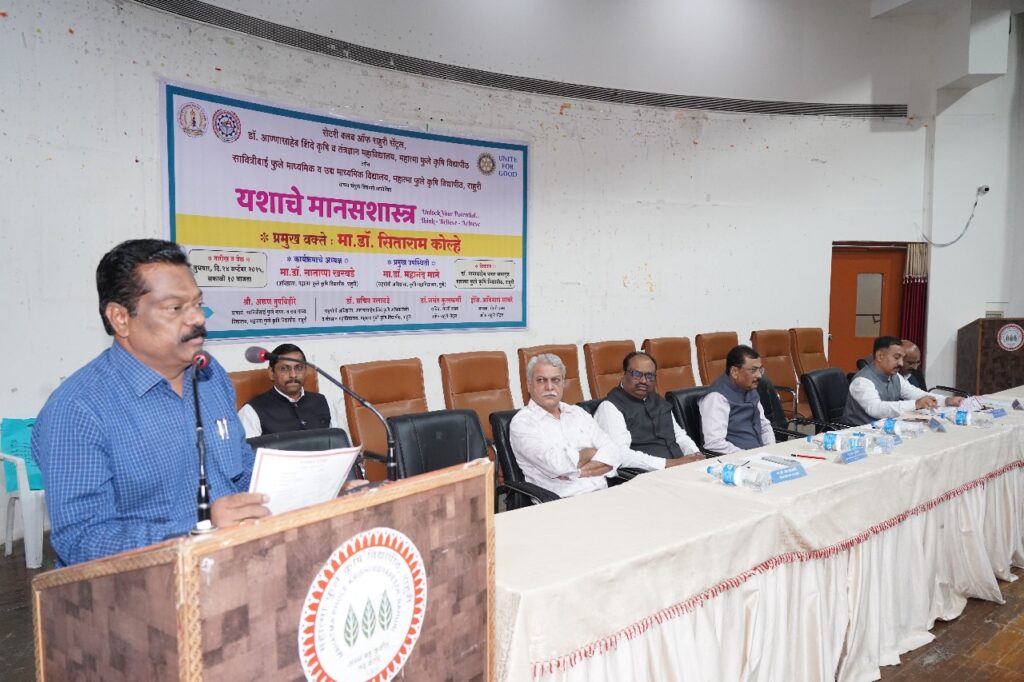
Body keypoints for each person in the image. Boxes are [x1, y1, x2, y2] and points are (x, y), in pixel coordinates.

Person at [34, 240, 262, 566]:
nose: (198, 318)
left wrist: (305, 489)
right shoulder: (78, 409)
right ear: (120, 318)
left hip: (238, 566)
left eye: (198, 303)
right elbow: (81, 540)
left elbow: (240, 473)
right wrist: (198, 531)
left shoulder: (210, 377)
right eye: (175, 308)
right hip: (143, 588)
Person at [510, 354, 690, 499]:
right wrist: (590, 453)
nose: (549, 387)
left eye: (556, 380)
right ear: (529, 385)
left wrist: (574, 470)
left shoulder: (577, 413)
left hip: (605, 495)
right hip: (561, 502)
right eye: (541, 380)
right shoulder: (522, 423)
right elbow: (557, 465)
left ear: (563, 383)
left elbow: (613, 453)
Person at [594, 351, 703, 467]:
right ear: (623, 374)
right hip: (647, 474)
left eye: (649, 376)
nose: (643, 381)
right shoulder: (610, 408)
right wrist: (669, 464)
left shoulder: (658, 401)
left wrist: (695, 455)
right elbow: (620, 455)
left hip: (680, 467)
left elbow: (679, 436)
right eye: (636, 374)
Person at [842, 336, 962, 425]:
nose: (901, 363)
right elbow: (876, 409)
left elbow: (916, 394)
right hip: (858, 434)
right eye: (896, 357)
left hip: (885, 430)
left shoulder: (895, 376)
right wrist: (916, 404)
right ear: (880, 356)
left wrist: (947, 400)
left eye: (902, 358)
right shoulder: (862, 381)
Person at [237, 343, 337, 438]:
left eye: (299, 368)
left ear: (306, 371)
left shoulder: (321, 401)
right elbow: (247, 450)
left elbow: (337, 442)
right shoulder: (251, 412)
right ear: (271, 373)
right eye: (284, 369)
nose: (293, 375)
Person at [699, 345, 776, 454]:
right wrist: (748, 456)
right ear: (734, 372)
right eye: (753, 370)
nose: (759, 375)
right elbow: (714, 443)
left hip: (759, 455)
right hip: (736, 460)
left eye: (760, 370)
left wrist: (771, 450)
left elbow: (764, 426)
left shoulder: (750, 388)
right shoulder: (716, 398)